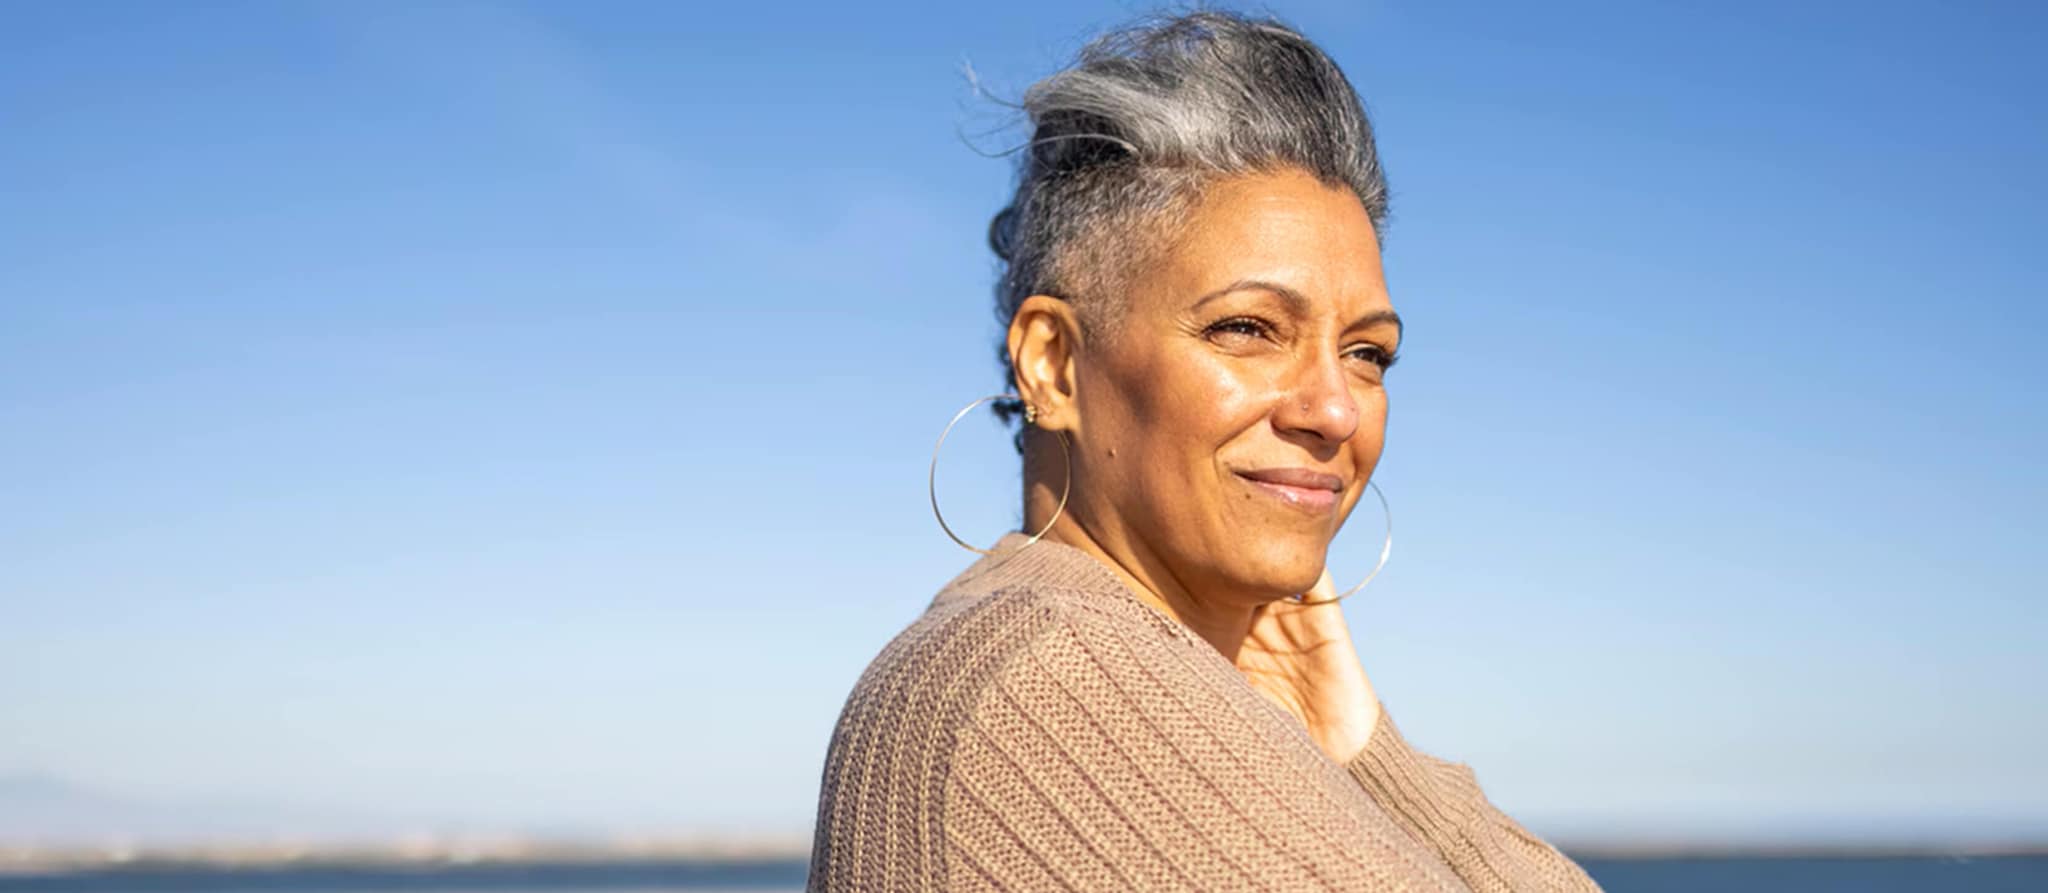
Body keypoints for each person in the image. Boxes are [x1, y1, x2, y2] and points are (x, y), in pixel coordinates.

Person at [808, 10, 1602, 892]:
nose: (1337, 410)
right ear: (1053, 364)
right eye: (1248, 328)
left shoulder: (1078, 667)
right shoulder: (1038, 682)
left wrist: (1357, 745)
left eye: (1367, 352)